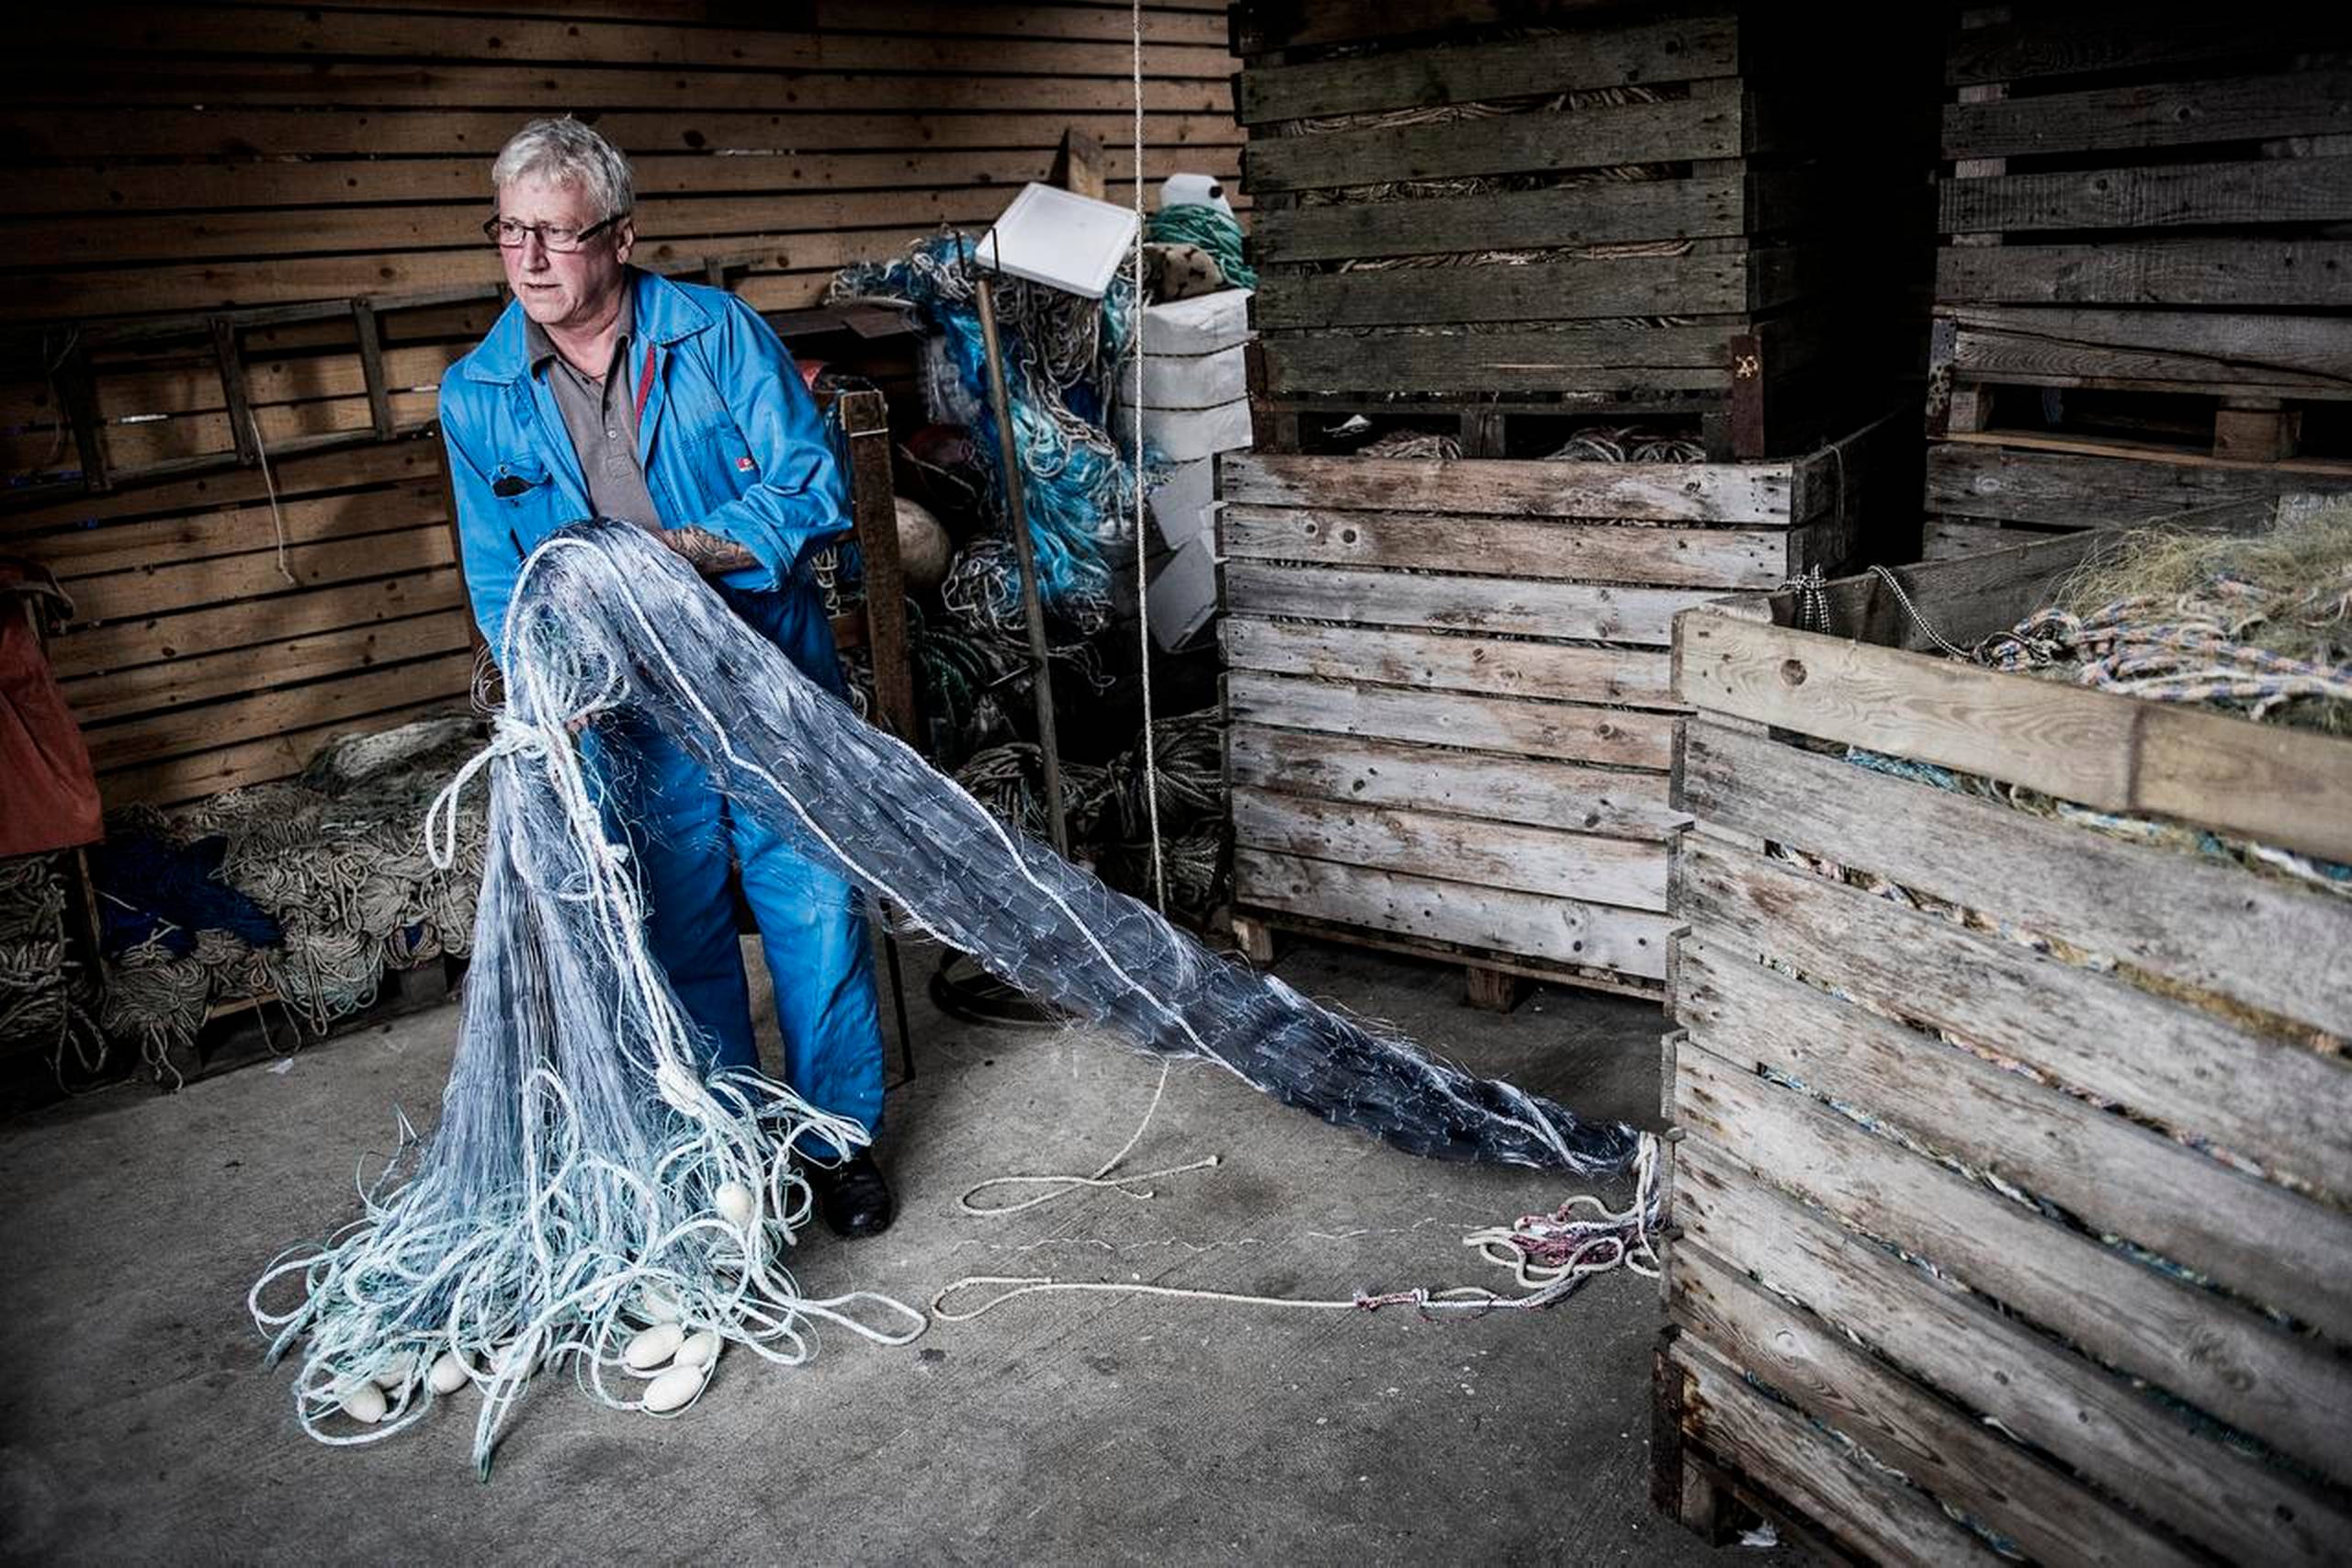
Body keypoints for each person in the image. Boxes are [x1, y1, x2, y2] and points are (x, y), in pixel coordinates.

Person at [438, 117, 895, 1237]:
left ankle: (836, 1144)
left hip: (766, 684)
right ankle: (737, 1146)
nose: (531, 259)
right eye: (511, 232)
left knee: (816, 911)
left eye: (557, 233)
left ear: (621, 237)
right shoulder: (478, 392)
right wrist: (541, 688)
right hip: (629, 714)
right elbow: (502, 580)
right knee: (678, 929)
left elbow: (812, 496)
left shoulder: (717, 335)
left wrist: (684, 553)